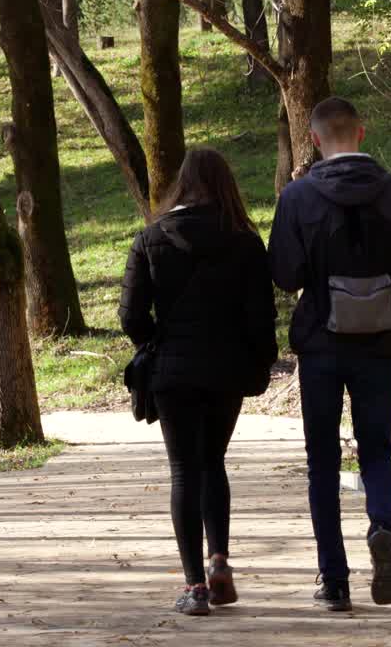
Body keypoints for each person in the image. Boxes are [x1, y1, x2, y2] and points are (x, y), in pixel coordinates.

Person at [268, 97, 391, 611]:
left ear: (316, 140)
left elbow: (283, 275)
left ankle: (334, 581)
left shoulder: (298, 197)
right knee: (377, 451)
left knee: (321, 461)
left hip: (320, 345)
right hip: (378, 343)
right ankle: (382, 526)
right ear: (361, 134)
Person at [119, 148, 278, 616]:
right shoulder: (247, 243)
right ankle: (220, 560)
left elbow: (131, 316)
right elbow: (261, 318)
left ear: (181, 185)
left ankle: (194, 587)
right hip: (226, 370)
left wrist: (155, 341)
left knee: (184, 471)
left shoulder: (150, 239)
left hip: (173, 372)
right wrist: (258, 361)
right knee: (214, 462)